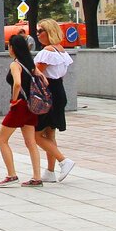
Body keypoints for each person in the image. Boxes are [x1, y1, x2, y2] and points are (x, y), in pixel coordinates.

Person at [0, 34, 44, 188]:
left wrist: (14, 100)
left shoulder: (15, 64)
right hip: (32, 105)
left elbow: (17, 83)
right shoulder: (30, 63)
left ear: (12, 48)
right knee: (31, 142)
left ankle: (11, 174)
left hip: (20, 105)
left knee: (2, 140)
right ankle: (37, 177)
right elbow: (43, 79)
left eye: (9, 46)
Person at [34, 19, 76, 183]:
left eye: (41, 31)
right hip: (58, 92)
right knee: (49, 134)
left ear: (49, 32)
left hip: (47, 94)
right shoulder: (61, 51)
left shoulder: (47, 52)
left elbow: (36, 73)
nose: (38, 34)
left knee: (36, 135)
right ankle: (50, 171)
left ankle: (63, 161)